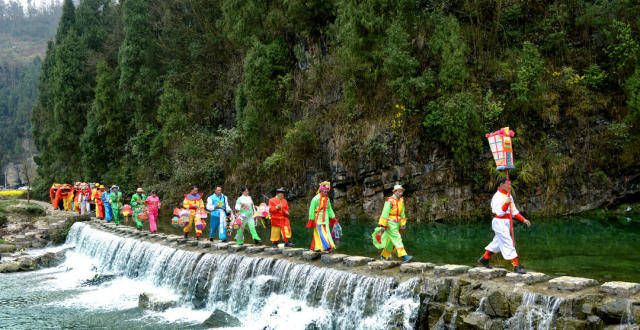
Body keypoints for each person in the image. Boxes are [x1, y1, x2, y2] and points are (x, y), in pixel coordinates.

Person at [477, 178, 531, 274]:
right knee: (508, 242)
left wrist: (523, 219)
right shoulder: (496, 197)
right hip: (499, 222)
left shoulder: (508, 196)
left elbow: (514, 212)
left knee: (497, 243)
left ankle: (485, 258)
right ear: (502, 185)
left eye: (510, 184)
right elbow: (500, 212)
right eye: (508, 184)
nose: (510, 186)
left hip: (506, 222)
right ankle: (516, 265)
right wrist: (506, 203)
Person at [375, 184, 412, 263]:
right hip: (390, 223)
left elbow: (402, 213)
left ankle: (384, 255)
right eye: (399, 191)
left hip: (397, 223)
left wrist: (403, 223)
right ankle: (404, 256)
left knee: (392, 241)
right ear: (395, 192)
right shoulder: (389, 200)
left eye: (401, 191)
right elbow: (385, 213)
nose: (401, 193)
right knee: (397, 238)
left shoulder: (401, 200)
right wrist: (383, 225)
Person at [306, 181, 338, 253]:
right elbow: (311, 209)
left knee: (326, 232)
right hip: (317, 218)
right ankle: (325, 247)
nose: (326, 193)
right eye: (324, 191)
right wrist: (311, 219)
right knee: (320, 232)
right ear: (320, 190)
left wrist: (333, 218)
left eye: (327, 192)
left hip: (325, 218)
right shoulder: (315, 199)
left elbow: (329, 209)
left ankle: (322, 247)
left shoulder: (327, 199)